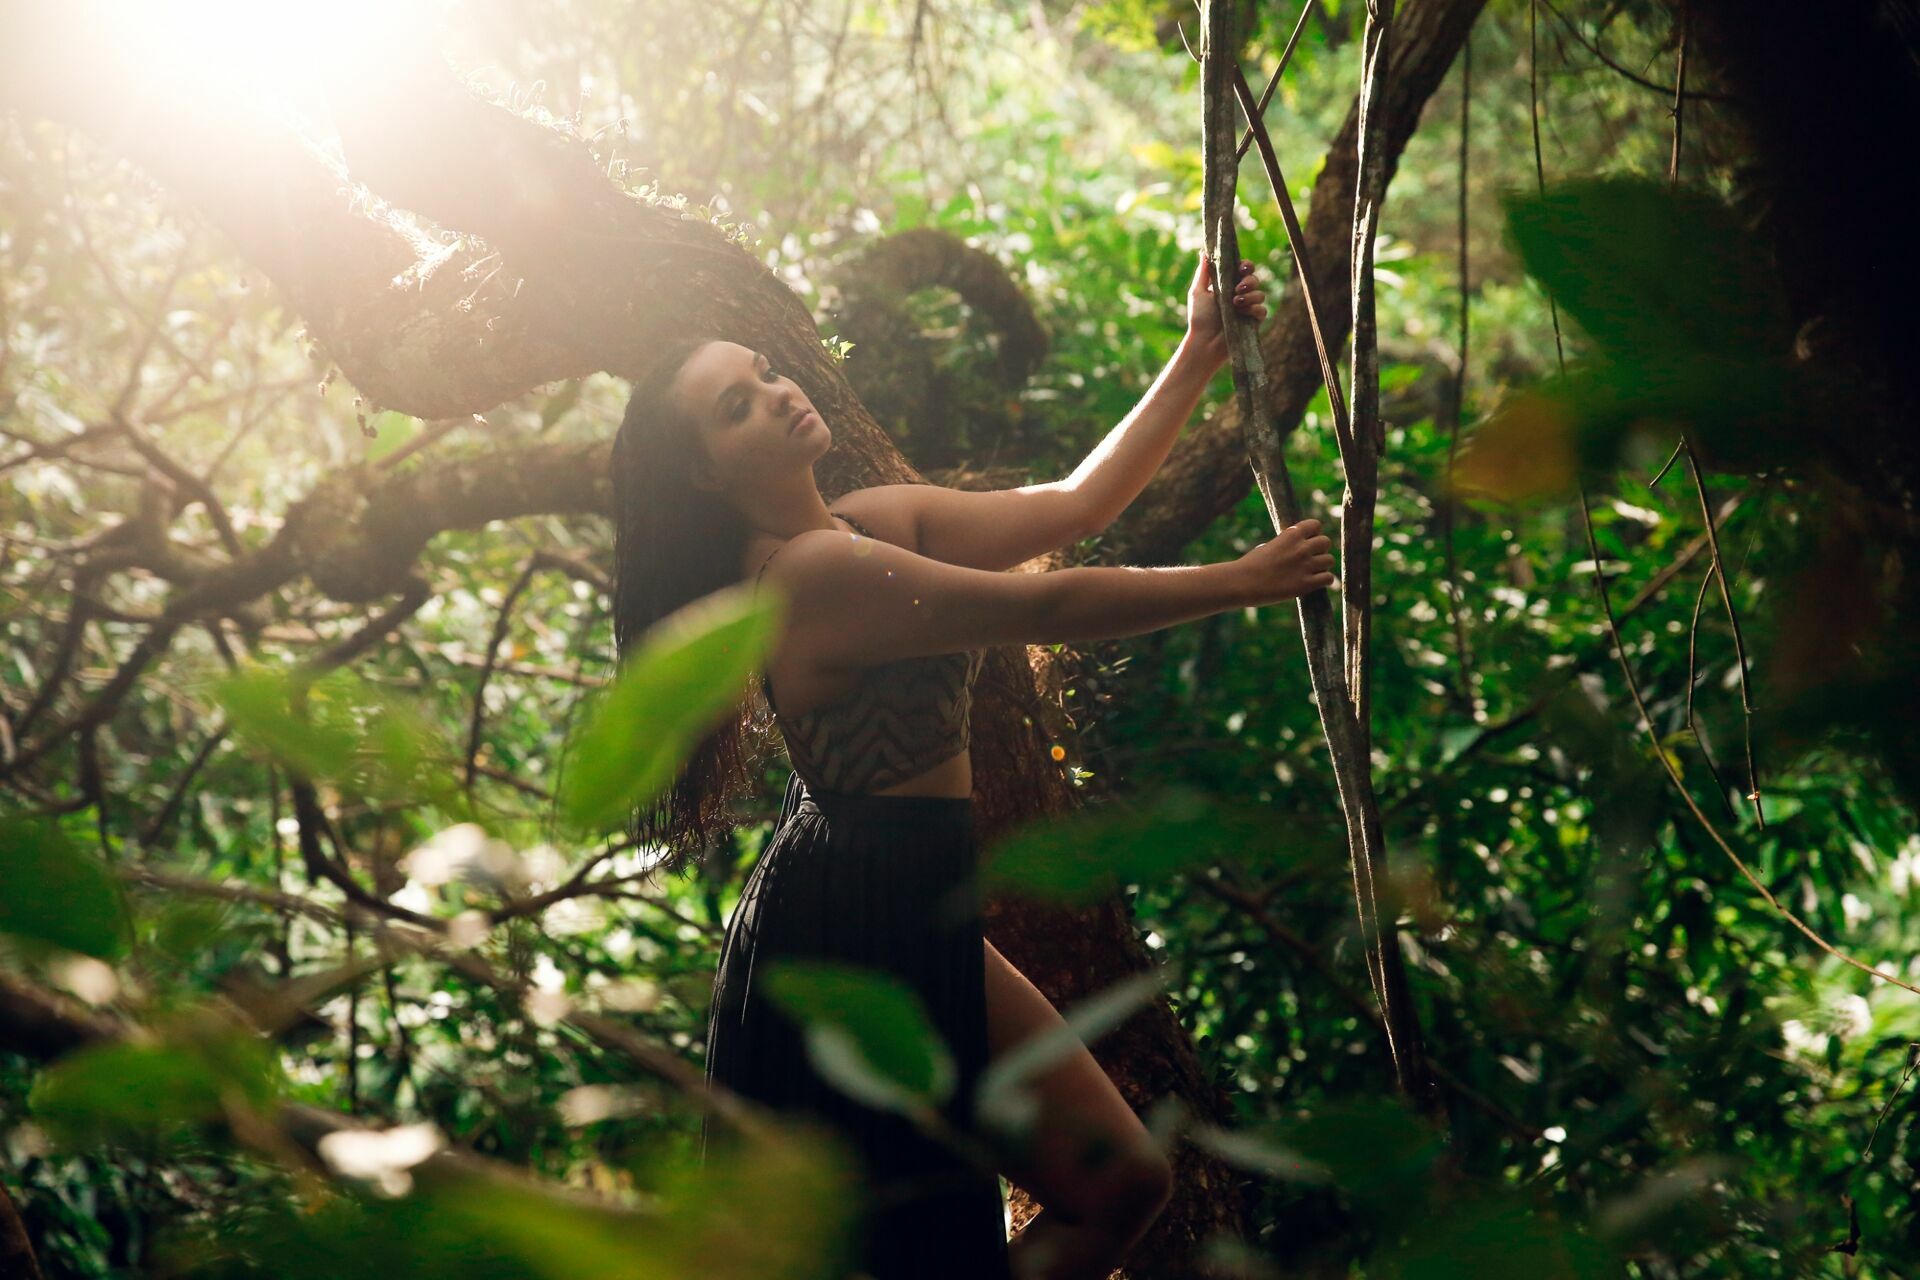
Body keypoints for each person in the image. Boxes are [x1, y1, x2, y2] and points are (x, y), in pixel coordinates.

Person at [607, 251, 1332, 1280]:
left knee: (1123, 1178)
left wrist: (1197, 352)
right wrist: (1244, 579)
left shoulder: (866, 520)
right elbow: (1046, 607)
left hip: (905, 896)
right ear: (705, 473)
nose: (777, 395)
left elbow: (1073, 505)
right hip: (854, 919)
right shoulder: (809, 574)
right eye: (737, 406)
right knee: (985, 1213)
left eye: (766, 372)